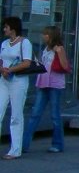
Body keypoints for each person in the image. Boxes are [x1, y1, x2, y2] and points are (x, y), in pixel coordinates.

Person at [23, 25, 71, 154]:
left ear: (51, 36)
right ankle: (23, 144)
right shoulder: (45, 49)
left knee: (55, 115)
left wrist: (58, 53)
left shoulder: (59, 48)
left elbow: (65, 66)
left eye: (46, 34)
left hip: (55, 85)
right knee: (35, 114)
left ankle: (57, 144)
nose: (43, 36)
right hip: (43, 83)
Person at [1, 17, 33, 159]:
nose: (4, 29)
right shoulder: (4, 43)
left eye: (6, 27)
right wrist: (2, 69)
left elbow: (27, 63)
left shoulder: (25, 43)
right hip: (4, 80)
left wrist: (11, 70)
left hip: (18, 82)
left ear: (13, 28)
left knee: (16, 115)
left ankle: (15, 149)